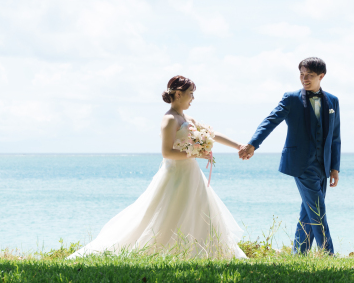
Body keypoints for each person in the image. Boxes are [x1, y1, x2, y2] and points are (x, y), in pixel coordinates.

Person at [68, 75, 248, 260]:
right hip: (176, 175)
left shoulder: (187, 117)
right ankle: (169, 251)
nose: (193, 98)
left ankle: (201, 252)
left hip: (192, 173)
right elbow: (167, 152)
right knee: (169, 213)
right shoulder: (169, 120)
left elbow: (212, 134)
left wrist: (239, 146)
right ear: (178, 94)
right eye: (190, 94)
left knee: (198, 211)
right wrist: (196, 153)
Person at [239, 57, 341, 255]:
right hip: (301, 164)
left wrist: (334, 167)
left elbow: (335, 137)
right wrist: (253, 144)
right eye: (301, 75)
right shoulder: (291, 98)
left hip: (323, 166)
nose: (304, 79)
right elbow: (271, 121)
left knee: (309, 211)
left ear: (321, 76)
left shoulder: (333, 101)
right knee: (318, 210)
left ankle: (299, 254)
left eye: (309, 75)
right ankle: (328, 255)